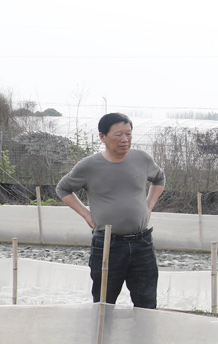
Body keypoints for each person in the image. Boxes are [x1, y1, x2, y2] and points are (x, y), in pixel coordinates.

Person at [56, 113, 165, 308]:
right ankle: (102, 329)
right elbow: (63, 189)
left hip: (142, 243)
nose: (125, 139)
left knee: (147, 303)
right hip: (107, 245)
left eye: (128, 134)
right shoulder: (89, 166)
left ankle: (143, 330)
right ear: (102, 137)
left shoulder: (142, 159)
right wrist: (86, 214)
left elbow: (159, 178)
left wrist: (149, 206)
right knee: (104, 303)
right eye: (118, 135)